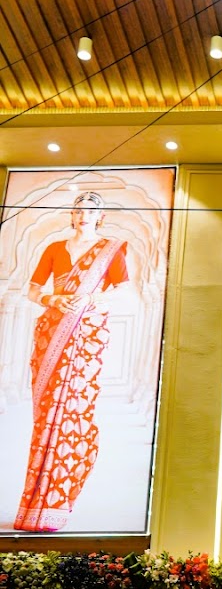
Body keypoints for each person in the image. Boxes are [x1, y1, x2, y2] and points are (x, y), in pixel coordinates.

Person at [14, 191, 129, 533]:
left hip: (87, 333)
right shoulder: (54, 248)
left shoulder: (112, 249)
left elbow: (122, 289)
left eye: (90, 211)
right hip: (51, 329)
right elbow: (33, 289)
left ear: (100, 217)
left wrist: (91, 298)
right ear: (72, 214)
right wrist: (53, 299)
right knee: (47, 411)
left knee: (74, 411)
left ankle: (58, 501)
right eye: (78, 211)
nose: (83, 216)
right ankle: (32, 504)